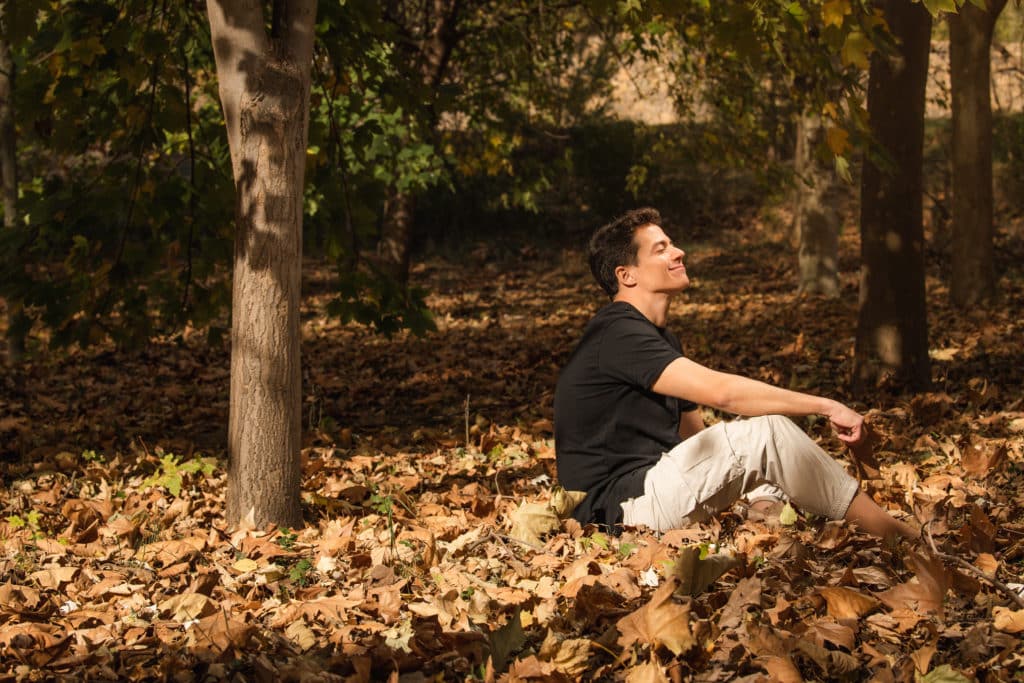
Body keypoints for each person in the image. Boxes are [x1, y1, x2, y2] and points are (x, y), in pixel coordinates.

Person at [553, 208, 916, 541]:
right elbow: (722, 393)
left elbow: (696, 439)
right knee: (767, 433)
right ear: (626, 275)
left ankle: (765, 515)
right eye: (661, 249)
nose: (678, 252)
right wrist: (827, 406)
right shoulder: (617, 333)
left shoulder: (659, 339)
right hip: (615, 513)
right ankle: (899, 538)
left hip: (649, 491)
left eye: (672, 244)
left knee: (758, 432)